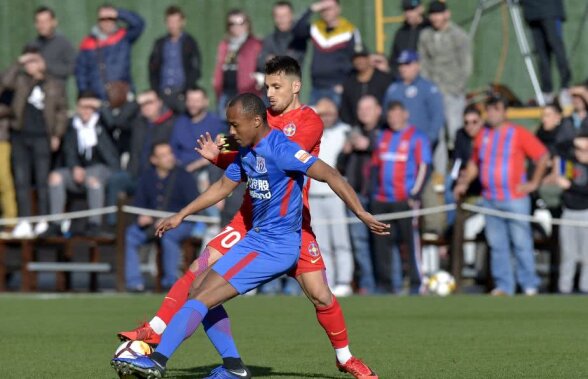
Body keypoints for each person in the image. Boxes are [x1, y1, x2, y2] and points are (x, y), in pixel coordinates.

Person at [118, 56, 379, 379]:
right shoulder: (251, 133)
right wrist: (183, 211)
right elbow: (227, 180)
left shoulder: (296, 129)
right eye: (266, 86)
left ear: (295, 87)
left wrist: (361, 212)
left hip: (286, 231)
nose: (270, 93)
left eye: (276, 86)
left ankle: (344, 357)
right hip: (255, 226)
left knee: (320, 295)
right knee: (199, 281)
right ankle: (216, 360)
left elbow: (317, 169)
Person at [454, 95, 549, 296]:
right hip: (490, 198)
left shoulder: (518, 134)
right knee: (497, 245)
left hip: (514, 198)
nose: (492, 113)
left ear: (504, 112)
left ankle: (529, 284)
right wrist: (463, 183)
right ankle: (504, 285)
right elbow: (474, 164)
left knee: (521, 243)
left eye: (496, 109)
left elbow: (542, 156)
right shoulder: (483, 135)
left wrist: (533, 183)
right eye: (489, 109)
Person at [2, 48, 68, 238]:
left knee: (42, 180)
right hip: (20, 135)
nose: (32, 65)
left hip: (42, 136)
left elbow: (61, 111)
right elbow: (5, 81)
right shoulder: (21, 80)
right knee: (21, 180)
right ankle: (25, 220)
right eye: (29, 62)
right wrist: (18, 62)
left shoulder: (53, 84)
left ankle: (42, 219)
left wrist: (57, 134)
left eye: (35, 61)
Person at [371, 101, 431, 294]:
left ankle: (416, 283)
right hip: (382, 199)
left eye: (397, 115)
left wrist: (415, 193)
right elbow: (375, 165)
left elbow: (424, 166)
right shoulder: (383, 136)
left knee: (410, 243)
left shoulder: (417, 137)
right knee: (382, 245)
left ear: (405, 114)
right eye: (390, 116)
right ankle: (385, 285)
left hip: (405, 199)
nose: (394, 119)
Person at [42, 92, 119, 237]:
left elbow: (114, 122)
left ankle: (94, 224)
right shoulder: (72, 126)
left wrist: (99, 105)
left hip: (102, 169)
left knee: (93, 179)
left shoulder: (102, 122)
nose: (86, 111)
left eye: (89, 108)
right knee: (55, 177)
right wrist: (74, 167)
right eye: (82, 107)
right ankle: (55, 223)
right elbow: (69, 150)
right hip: (78, 170)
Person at [125, 142, 198, 292]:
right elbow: (139, 203)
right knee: (131, 235)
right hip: (152, 225)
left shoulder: (184, 176)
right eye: (163, 155)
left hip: (181, 223)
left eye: (169, 154)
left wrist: (172, 217)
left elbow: (194, 205)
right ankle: (134, 283)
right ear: (154, 160)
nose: (169, 158)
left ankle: (170, 283)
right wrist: (142, 216)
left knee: (169, 236)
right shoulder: (146, 177)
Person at [105, 90, 175, 226]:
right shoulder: (138, 122)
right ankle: (112, 225)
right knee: (116, 180)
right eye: (143, 104)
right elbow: (119, 121)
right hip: (135, 174)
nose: (146, 106)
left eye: (150, 102)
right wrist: (135, 102)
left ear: (159, 103)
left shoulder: (169, 124)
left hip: (156, 176)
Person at [418, 0, 471, 177]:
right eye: (432, 14)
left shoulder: (458, 35)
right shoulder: (425, 35)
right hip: (434, 91)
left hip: (452, 91)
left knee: (455, 131)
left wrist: (457, 87)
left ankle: (458, 169)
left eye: (438, 14)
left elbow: (466, 64)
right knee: (436, 135)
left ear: (446, 14)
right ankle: (439, 173)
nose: (435, 18)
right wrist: (427, 88)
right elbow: (423, 62)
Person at [337, 95, 383, 294]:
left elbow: (390, 157)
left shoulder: (384, 132)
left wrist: (370, 145)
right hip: (357, 197)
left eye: (368, 108)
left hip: (380, 195)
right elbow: (338, 167)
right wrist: (346, 151)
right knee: (359, 243)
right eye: (361, 108)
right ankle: (367, 284)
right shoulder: (353, 133)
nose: (364, 112)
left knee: (382, 243)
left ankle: (387, 284)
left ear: (378, 110)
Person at [310, 98, 354, 296]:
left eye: (330, 114)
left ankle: (344, 281)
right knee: (322, 243)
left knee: (341, 241)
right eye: (322, 114)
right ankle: (328, 281)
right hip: (313, 194)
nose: (326, 118)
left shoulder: (344, 131)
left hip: (335, 194)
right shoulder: (310, 132)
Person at [292, 0, 362, 105]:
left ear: (338, 9)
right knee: (313, 121)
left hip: (337, 88)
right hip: (316, 88)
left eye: (329, 8)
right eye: (323, 8)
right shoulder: (316, 28)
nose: (326, 11)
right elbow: (297, 30)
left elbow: (358, 60)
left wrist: (346, 85)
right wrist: (312, 9)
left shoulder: (349, 30)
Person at [75, 4, 145, 102]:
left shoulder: (123, 37)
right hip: (98, 97)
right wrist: (85, 93)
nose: (107, 22)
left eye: (110, 18)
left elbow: (139, 24)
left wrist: (119, 13)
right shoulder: (88, 43)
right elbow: (81, 72)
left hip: (122, 94)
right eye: (103, 19)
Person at [149, 5, 202, 114]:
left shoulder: (189, 42)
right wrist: (156, 91)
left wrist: (186, 90)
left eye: (175, 21)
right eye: (170, 21)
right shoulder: (160, 43)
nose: (172, 25)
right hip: (163, 94)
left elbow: (195, 68)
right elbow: (152, 68)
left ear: (182, 22)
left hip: (181, 94)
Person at [555, 130, 588, 294]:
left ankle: (585, 289)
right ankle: (564, 289)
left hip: (585, 213)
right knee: (568, 255)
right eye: (580, 149)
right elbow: (558, 147)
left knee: (586, 257)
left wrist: (570, 186)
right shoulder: (571, 160)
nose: (581, 153)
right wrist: (576, 141)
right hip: (568, 212)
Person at [213, 9, 262, 117]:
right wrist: (216, 86)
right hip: (225, 94)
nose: (237, 27)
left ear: (247, 24)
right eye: (232, 24)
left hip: (247, 94)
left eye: (241, 23)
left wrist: (255, 81)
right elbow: (218, 70)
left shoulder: (255, 44)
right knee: (224, 126)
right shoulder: (224, 45)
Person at [521, 0, 571, 102]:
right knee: (541, 53)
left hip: (550, 10)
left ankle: (565, 87)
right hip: (532, 13)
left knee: (557, 47)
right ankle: (547, 91)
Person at [339, 48, 393, 126]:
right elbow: (345, 109)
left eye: (363, 57)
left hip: (382, 127)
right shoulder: (349, 82)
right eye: (356, 58)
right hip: (357, 128)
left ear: (369, 58)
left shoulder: (384, 79)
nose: (359, 61)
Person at [26, 6, 75, 83]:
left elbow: (72, 68)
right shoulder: (31, 45)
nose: (42, 25)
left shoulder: (63, 43)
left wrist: (45, 66)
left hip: (55, 89)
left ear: (54, 22)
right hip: (32, 87)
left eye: (45, 21)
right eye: (39, 22)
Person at [256, 1, 306, 72]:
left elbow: (293, 63)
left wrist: (273, 59)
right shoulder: (269, 39)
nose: (281, 19)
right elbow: (261, 63)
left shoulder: (300, 38)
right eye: (278, 16)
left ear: (291, 16)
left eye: (284, 16)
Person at [388, 0, 429, 78]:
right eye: (406, 10)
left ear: (421, 9)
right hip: (405, 80)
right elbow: (394, 60)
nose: (408, 14)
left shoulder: (429, 29)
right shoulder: (401, 33)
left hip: (427, 80)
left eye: (412, 10)